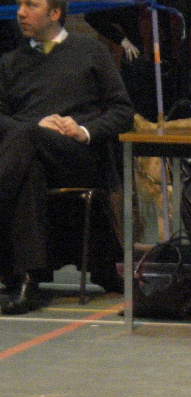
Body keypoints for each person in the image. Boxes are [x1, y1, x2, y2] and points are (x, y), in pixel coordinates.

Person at [0, 0, 134, 314]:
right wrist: (32, 126)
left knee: (25, 139)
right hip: (28, 156)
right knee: (29, 160)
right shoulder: (9, 62)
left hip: (77, 156)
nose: (20, 12)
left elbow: (122, 111)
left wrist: (84, 130)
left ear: (55, 12)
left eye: (31, 5)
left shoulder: (91, 52)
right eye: (19, 5)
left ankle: (27, 278)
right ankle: (29, 278)